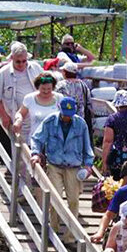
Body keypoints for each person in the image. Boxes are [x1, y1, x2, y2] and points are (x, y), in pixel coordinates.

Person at [30, 96, 93, 233]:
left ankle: (71, 235)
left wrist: (88, 165)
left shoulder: (81, 124)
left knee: (73, 201)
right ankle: (53, 230)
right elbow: (37, 138)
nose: (67, 117)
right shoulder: (50, 121)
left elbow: (87, 146)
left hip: (73, 166)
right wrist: (35, 153)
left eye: (70, 115)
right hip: (55, 165)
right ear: (60, 110)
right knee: (55, 198)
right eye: (65, 114)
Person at [0, 42, 42, 140]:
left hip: (37, 116)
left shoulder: (36, 67)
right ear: (12, 58)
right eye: (18, 61)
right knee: (19, 149)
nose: (21, 64)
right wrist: (4, 116)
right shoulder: (3, 72)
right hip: (16, 119)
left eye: (24, 61)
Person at [14, 71, 64, 141]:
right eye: (43, 89)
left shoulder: (59, 98)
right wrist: (19, 120)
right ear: (37, 87)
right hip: (36, 140)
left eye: (49, 89)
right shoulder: (29, 98)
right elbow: (20, 113)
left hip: (55, 140)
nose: (46, 91)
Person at [55, 62, 92, 126]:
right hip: (81, 119)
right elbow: (88, 101)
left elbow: (56, 101)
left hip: (65, 117)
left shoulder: (60, 85)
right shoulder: (83, 84)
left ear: (65, 72)